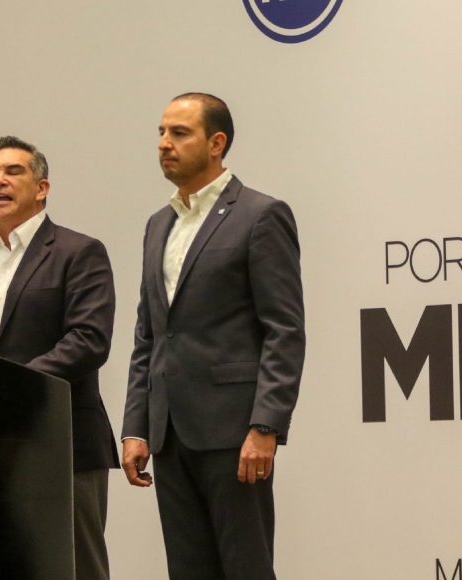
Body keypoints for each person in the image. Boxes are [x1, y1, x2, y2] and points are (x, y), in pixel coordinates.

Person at [121, 93, 306, 579]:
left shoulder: (261, 215)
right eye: (161, 133)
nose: (164, 144)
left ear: (217, 143)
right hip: (169, 435)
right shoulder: (157, 225)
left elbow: (284, 330)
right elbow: (149, 334)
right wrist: (137, 426)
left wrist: (265, 426)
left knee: (245, 569)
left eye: (179, 134)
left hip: (234, 433)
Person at [0, 136, 119, 580]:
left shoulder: (77, 251)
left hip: (63, 438)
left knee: (76, 567)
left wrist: (11, 384)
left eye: (13, 171)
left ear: (42, 187)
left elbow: (89, 339)